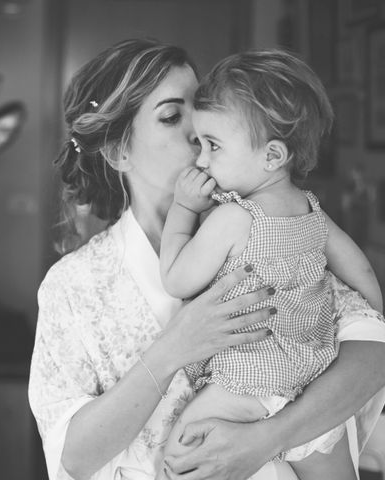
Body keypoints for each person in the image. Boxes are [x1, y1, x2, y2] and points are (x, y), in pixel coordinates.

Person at [27, 38, 385, 480]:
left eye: (202, 110)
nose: (198, 130)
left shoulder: (269, 227)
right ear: (119, 152)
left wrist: (269, 438)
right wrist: (174, 348)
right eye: (173, 116)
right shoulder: (74, 286)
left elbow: (373, 350)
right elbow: (73, 456)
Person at [158, 50, 383, 480]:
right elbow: (361, 269)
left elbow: (175, 278)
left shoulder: (233, 219)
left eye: (213, 146)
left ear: (273, 156)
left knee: (179, 460)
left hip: (247, 380)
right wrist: (376, 312)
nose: (200, 159)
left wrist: (183, 210)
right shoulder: (311, 210)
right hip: (314, 379)